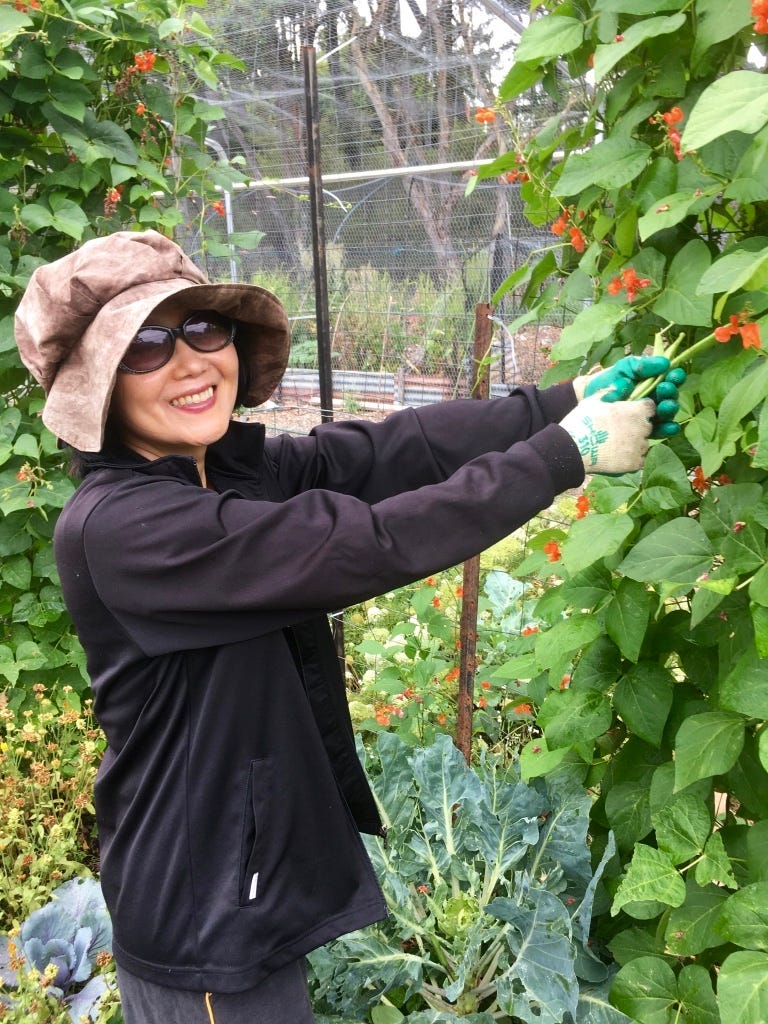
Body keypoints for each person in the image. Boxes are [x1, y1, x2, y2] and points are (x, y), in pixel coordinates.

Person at [14, 230, 683, 1024]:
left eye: (202, 327)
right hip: (204, 920)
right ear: (96, 384)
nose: (190, 361)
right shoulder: (123, 528)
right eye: (146, 345)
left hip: (240, 881)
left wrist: (563, 401)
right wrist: (560, 456)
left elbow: (384, 452)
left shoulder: (221, 472)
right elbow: (360, 544)